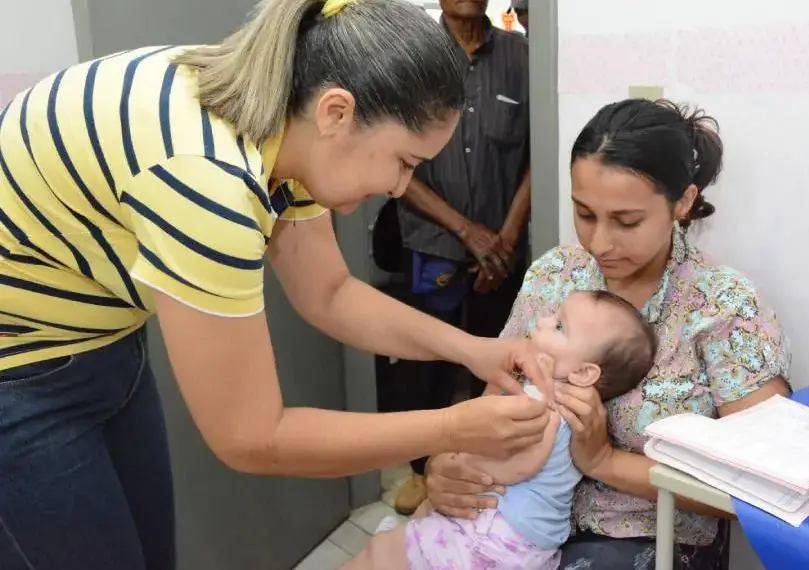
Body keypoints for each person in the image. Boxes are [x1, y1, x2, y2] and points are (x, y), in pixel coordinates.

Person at [0, 1, 555, 568]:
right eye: (403, 162)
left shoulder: (288, 124)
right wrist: (450, 426)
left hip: (105, 340)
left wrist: (475, 351)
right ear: (337, 112)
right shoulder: (204, 179)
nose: (398, 188)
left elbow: (331, 293)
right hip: (18, 372)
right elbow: (251, 436)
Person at [423, 98, 793, 570]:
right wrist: (447, 462)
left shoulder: (724, 307)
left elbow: (760, 489)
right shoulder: (554, 274)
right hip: (509, 515)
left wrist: (604, 461)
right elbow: (492, 396)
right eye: (584, 213)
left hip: (644, 537)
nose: (598, 243)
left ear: (682, 202)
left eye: (626, 221)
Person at [341, 290, 657, 570]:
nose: (545, 320)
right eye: (554, 314)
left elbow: (513, 466)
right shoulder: (577, 411)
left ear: (584, 372)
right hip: (524, 547)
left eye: (559, 326)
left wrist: (459, 457)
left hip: (490, 540)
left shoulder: (541, 403)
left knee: (379, 553)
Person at [390, 0, 533, 516]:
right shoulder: (410, 57)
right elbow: (396, 167)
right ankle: (420, 469)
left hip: (504, 246)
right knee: (424, 359)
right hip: (434, 245)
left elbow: (539, 155)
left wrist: (507, 237)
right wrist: (466, 231)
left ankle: (479, 465)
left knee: (494, 356)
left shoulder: (522, 57)